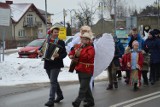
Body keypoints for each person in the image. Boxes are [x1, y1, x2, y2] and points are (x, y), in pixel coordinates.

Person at [38, 26, 67, 107]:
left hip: (56, 64)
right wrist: (39, 52)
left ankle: (51, 100)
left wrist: (58, 55)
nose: (56, 34)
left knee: (52, 81)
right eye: (55, 32)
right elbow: (40, 50)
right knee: (53, 81)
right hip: (47, 63)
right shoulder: (46, 41)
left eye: (57, 32)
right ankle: (60, 95)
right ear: (51, 33)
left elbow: (65, 53)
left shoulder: (61, 42)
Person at [69, 32, 95, 107]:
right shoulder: (78, 46)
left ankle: (77, 102)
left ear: (89, 41)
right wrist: (71, 55)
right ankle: (91, 102)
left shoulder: (91, 48)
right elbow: (72, 52)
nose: (85, 41)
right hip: (79, 69)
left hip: (87, 70)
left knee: (83, 88)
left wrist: (79, 54)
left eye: (87, 39)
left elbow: (88, 57)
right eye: (83, 39)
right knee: (86, 87)